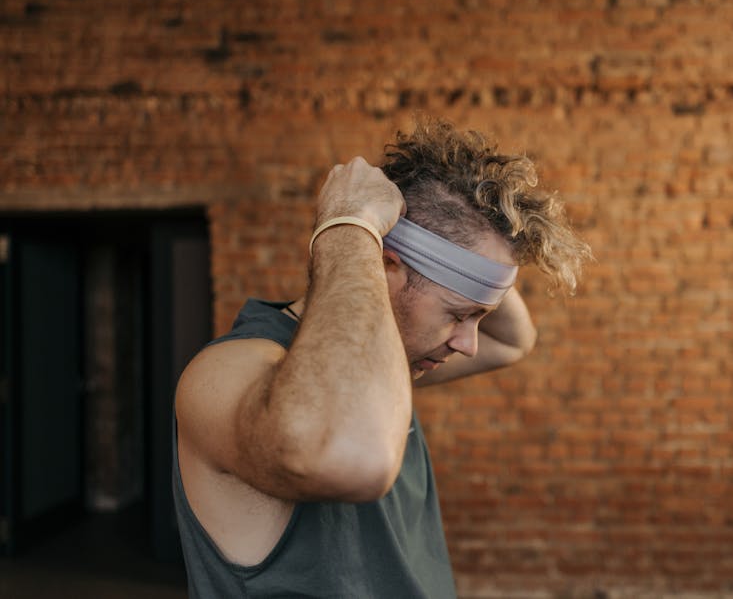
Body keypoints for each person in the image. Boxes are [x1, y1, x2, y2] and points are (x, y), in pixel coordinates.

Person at [172, 118, 592, 597]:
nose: (469, 344)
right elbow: (356, 457)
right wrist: (350, 226)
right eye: (458, 315)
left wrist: (471, 229)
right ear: (384, 264)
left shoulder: (386, 363)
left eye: (478, 318)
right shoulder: (226, 372)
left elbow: (514, 340)